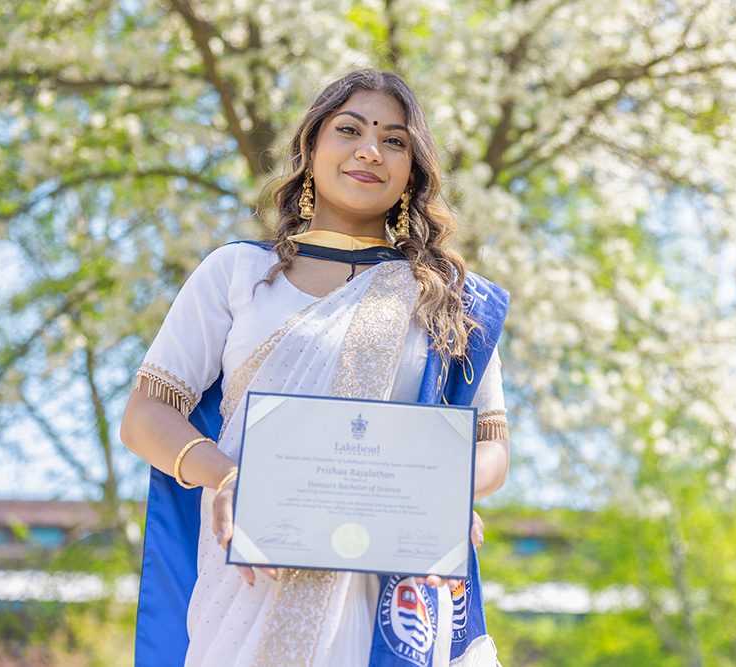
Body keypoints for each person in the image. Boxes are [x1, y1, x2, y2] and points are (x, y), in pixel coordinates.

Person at [120, 68, 510, 667]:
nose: (369, 150)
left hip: (390, 594)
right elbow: (147, 415)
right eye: (348, 129)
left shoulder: (448, 297)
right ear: (310, 147)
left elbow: (492, 447)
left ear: (414, 169)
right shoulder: (236, 273)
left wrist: (445, 494)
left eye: (395, 140)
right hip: (248, 578)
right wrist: (227, 478)